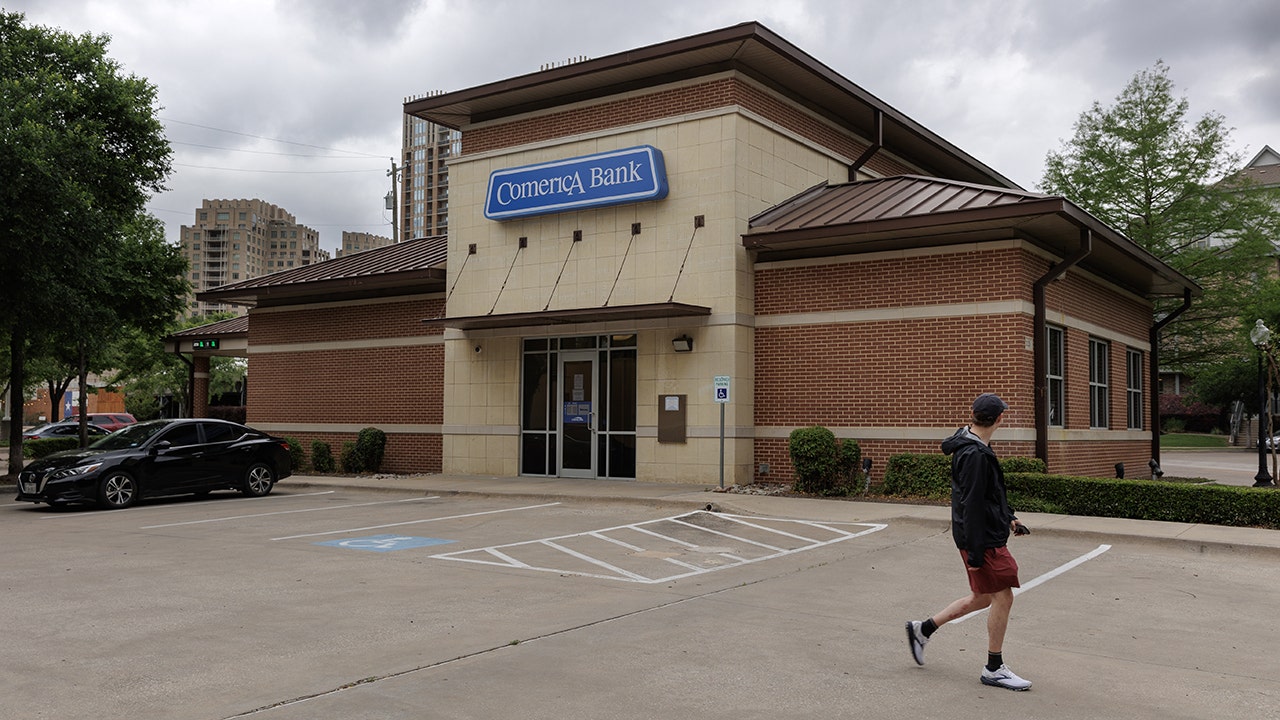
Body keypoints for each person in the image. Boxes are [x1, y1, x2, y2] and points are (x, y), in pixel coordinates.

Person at [905, 392, 1033, 691]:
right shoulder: (974, 454)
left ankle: (922, 629)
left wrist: (1009, 517)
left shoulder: (973, 444)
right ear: (999, 419)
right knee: (1003, 596)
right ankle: (994, 668)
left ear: (974, 415)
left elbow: (988, 495)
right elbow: (971, 505)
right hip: (982, 540)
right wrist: (975, 555)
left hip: (982, 534)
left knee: (983, 597)